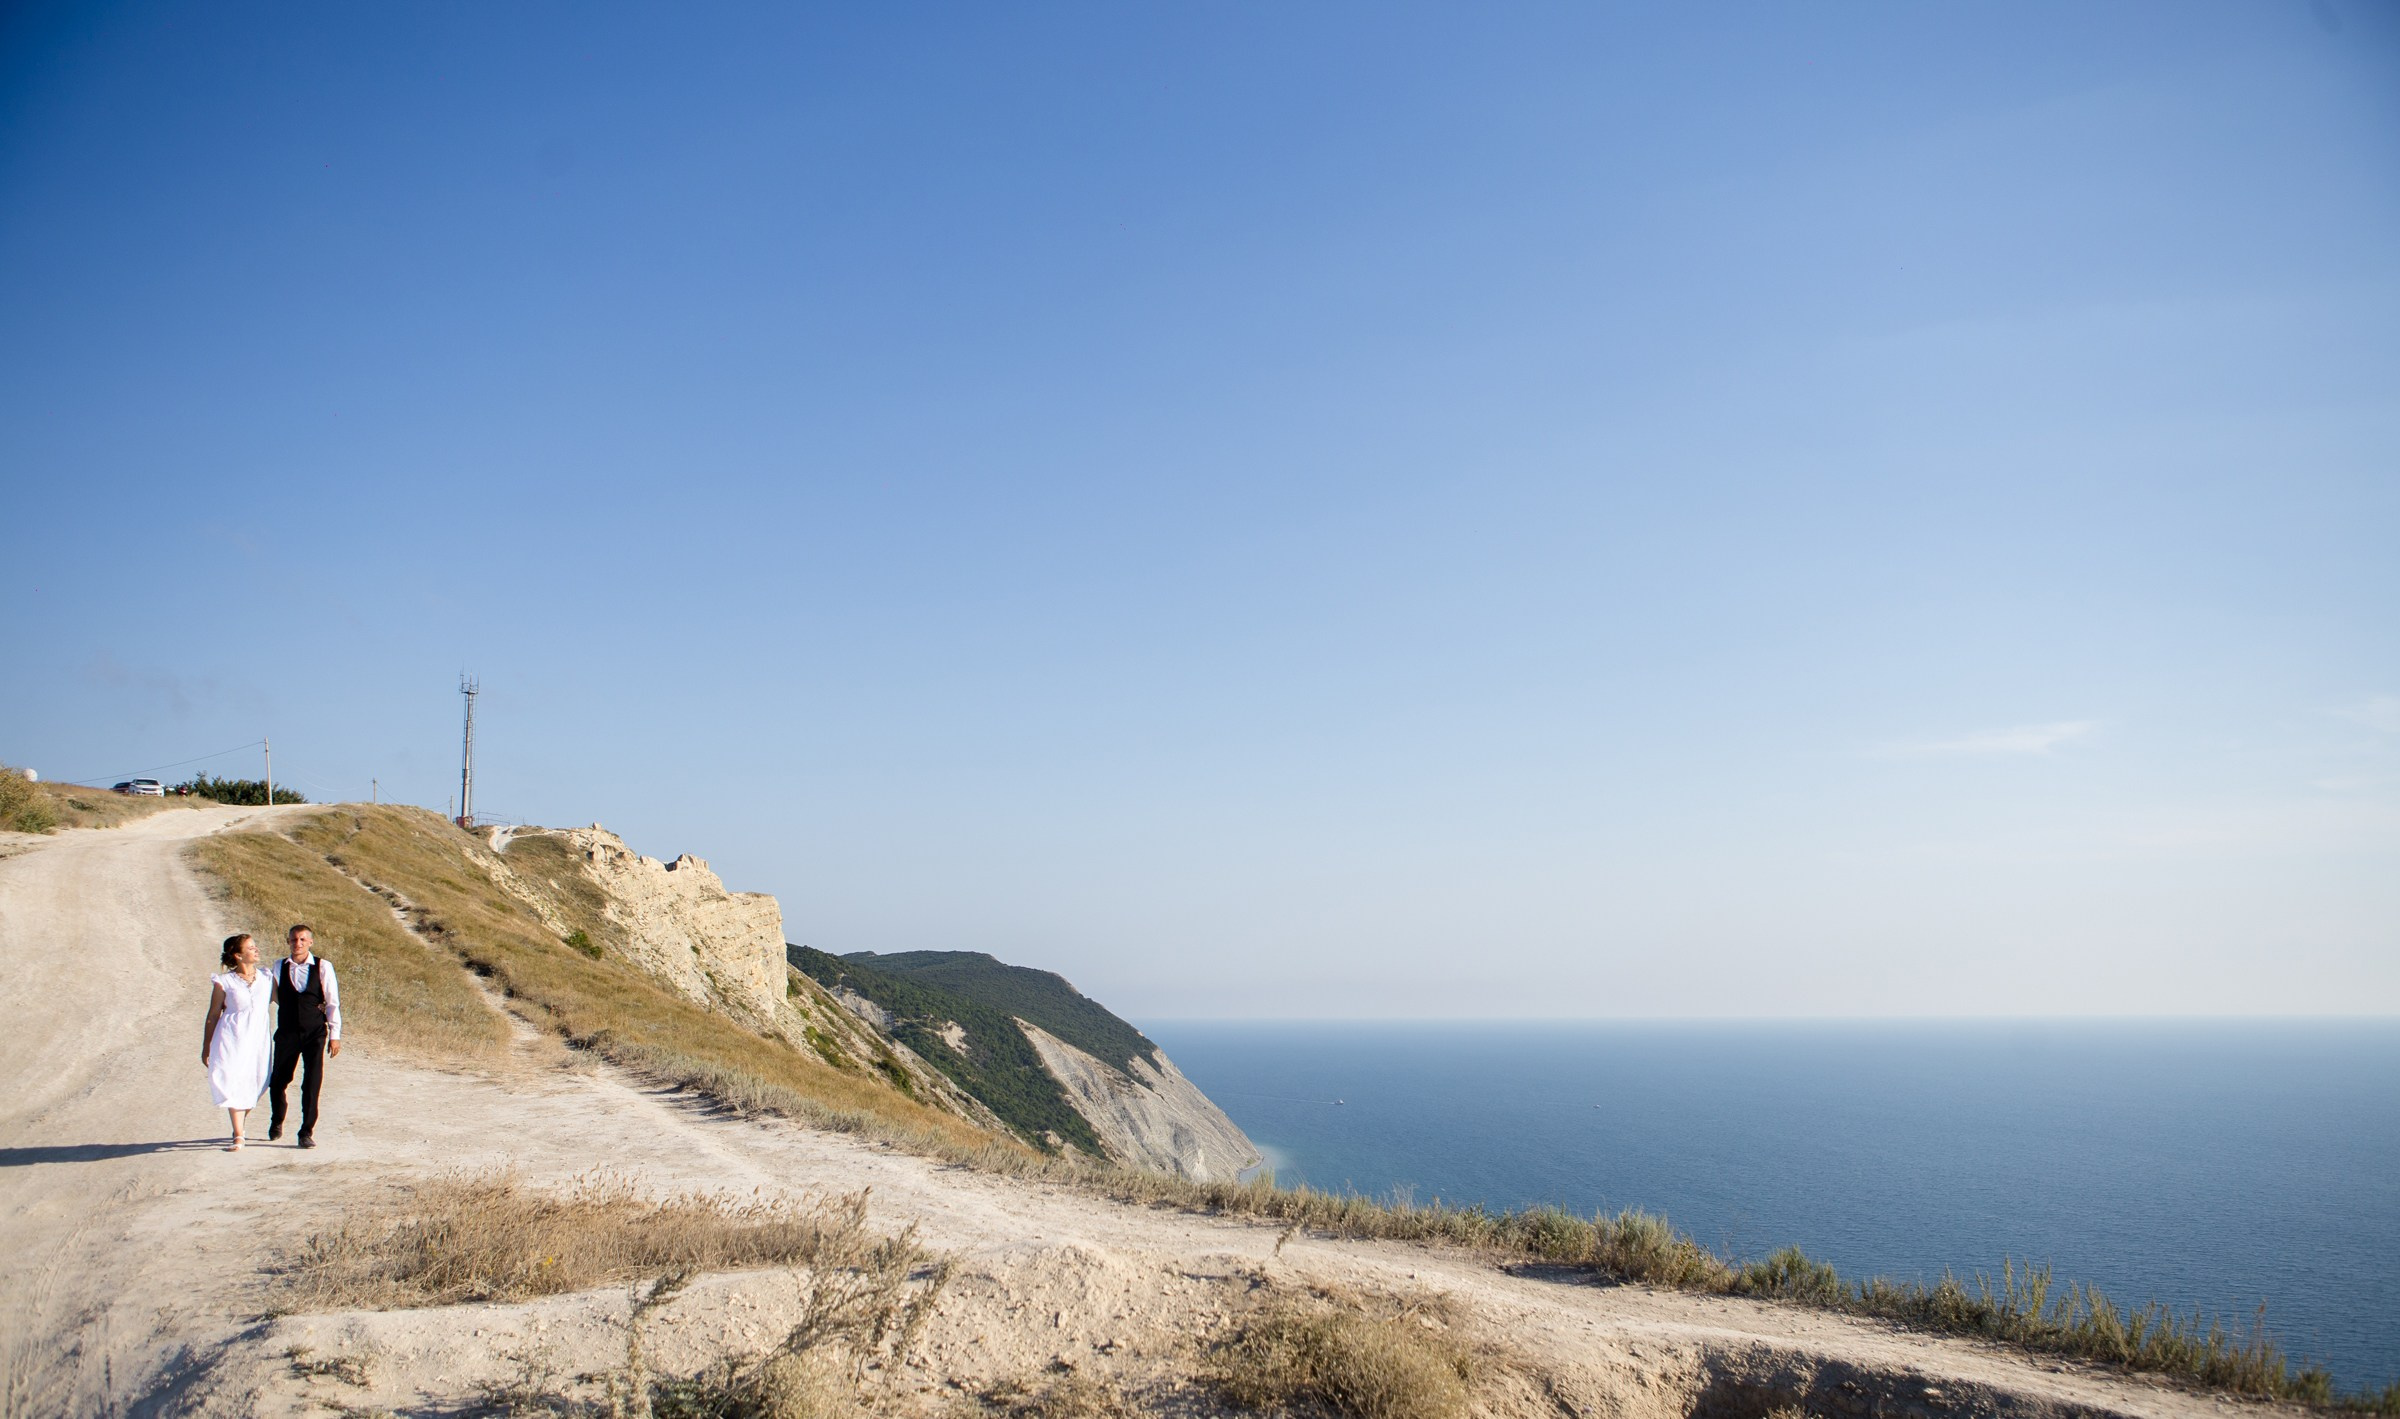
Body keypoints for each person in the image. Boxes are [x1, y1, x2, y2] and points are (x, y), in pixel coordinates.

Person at [266, 924, 341, 1148]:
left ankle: (306, 1131)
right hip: (287, 1031)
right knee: (278, 1079)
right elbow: (273, 995)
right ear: (288, 942)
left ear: (310, 942)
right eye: (293, 940)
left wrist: (335, 1035)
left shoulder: (323, 966)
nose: (297, 944)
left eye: (301, 940)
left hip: (315, 1032)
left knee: (312, 1081)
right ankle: (277, 1120)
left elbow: (332, 1001)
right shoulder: (279, 966)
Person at [200, 933, 272, 1151]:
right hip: (231, 1038)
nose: (256, 950)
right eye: (250, 948)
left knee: (258, 1082)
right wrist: (206, 1045)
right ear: (238, 955)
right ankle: (239, 1136)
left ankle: (239, 1124)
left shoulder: (267, 978)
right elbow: (213, 1014)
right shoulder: (224, 982)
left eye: (255, 946)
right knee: (233, 1081)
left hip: (258, 1040)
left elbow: (287, 1001)